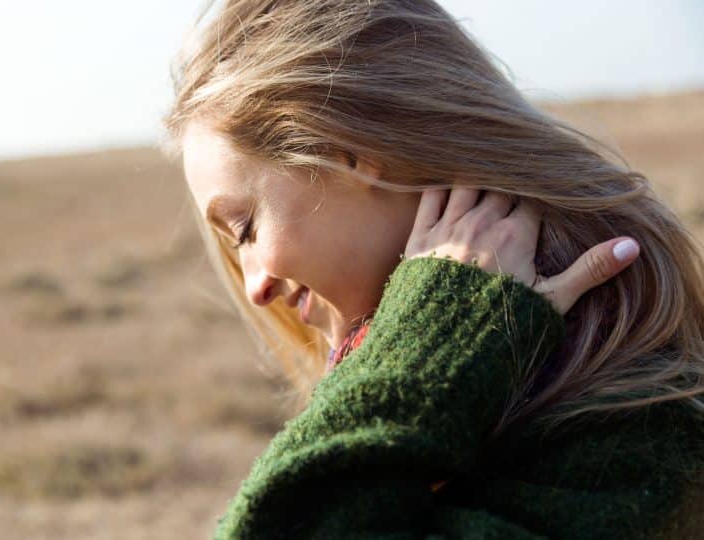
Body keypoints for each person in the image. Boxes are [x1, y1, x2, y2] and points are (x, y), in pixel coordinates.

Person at [164, 1, 704, 538]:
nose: (254, 286)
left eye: (245, 229)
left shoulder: (631, 431)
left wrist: (439, 329)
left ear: (348, 152)